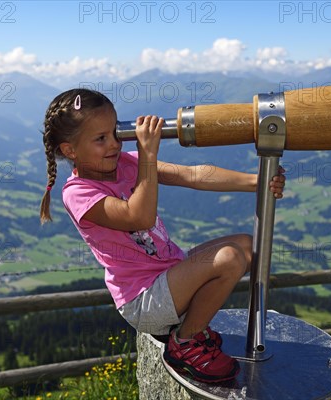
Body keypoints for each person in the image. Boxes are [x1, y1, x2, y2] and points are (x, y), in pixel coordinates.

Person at [39, 88, 286, 383]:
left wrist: (255, 182)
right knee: (229, 258)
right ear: (70, 150)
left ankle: (190, 324)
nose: (114, 144)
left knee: (247, 244)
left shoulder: (127, 163)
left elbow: (191, 175)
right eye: (100, 138)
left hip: (168, 278)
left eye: (115, 133)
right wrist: (148, 154)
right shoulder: (78, 194)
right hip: (144, 300)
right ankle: (185, 343)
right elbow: (138, 216)